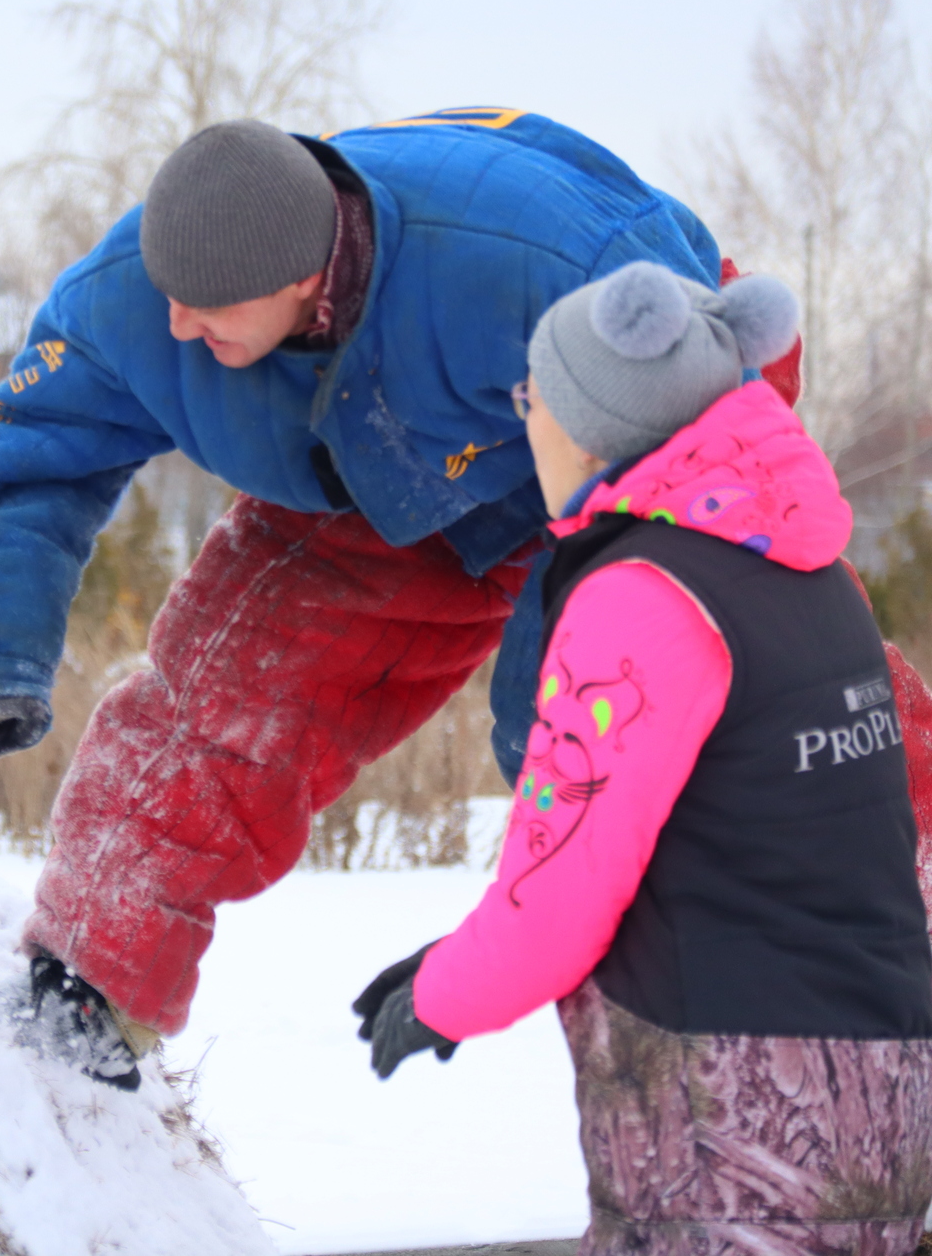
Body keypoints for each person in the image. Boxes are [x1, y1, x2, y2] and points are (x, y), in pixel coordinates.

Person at [0, 109, 932, 1085]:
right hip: (369, 486)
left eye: (208, 306)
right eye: (168, 293)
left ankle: (887, 916)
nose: (176, 322)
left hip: (615, 454)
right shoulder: (135, 303)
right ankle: (86, 996)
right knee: (217, 708)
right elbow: (22, 458)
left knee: (659, 721)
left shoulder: (540, 261)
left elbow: (702, 401)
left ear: (303, 279)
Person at [352, 261, 932, 1254]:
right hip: (886, 1101)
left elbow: (559, 891)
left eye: (530, 396)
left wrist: (442, 998)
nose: (522, 416)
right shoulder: (816, 581)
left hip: (731, 1131)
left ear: (585, 423)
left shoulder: (641, 600)